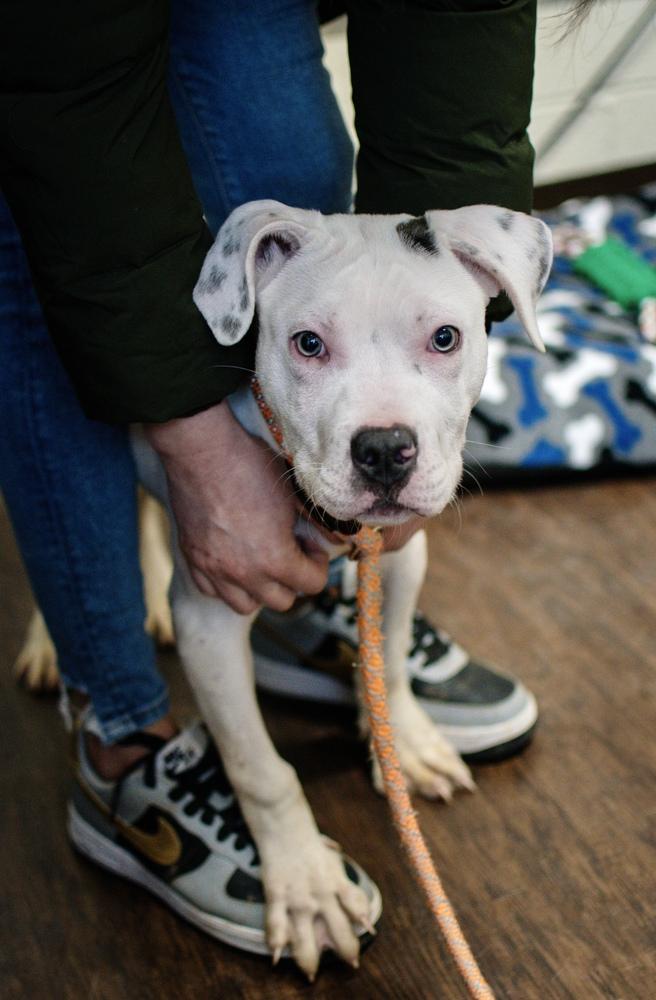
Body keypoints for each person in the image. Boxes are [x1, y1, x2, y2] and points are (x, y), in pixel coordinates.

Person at [0, 0, 539, 965]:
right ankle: (116, 721)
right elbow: (58, 80)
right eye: (309, 346)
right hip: (41, 47)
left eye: (442, 340)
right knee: (33, 248)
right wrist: (196, 443)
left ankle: (339, 643)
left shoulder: (451, 283)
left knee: (279, 123)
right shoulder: (256, 266)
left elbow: (461, 76)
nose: (385, 427)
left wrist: (393, 717)